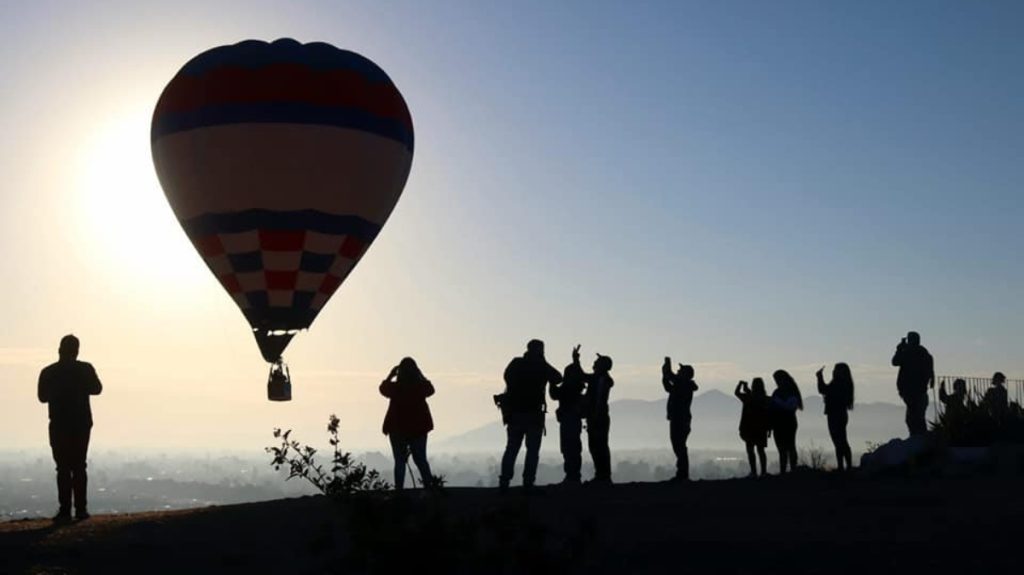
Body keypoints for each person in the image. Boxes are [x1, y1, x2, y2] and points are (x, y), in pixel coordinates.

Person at [38, 335, 103, 521]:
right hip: (81, 423)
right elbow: (97, 389)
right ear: (77, 351)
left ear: (59, 349)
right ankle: (81, 510)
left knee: (63, 468)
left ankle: (65, 510)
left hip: (59, 424)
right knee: (79, 466)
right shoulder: (85, 369)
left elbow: (42, 397)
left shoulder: (49, 372)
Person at [498, 339, 562, 491]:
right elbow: (558, 378)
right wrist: (543, 362)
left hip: (515, 414)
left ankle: (504, 482)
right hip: (533, 415)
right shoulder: (541, 366)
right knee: (532, 451)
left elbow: (506, 378)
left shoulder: (516, 363)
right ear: (540, 350)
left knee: (511, 449)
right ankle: (528, 482)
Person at [379, 357, 436, 490]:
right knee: (421, 460)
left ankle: (399, 491)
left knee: (399, 461)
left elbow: (383, 388)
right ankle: (430, 489)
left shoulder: (396, 388)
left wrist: (390, 375)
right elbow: (431, 389)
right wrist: (421, 375)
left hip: (397, 429)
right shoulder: (419, 388)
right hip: (418, 429)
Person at [550, 345, 586, 485]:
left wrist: (551, 383)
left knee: (568, 448)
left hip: (568, 420)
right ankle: (573, 475)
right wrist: (576, 360)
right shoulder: (575, 387)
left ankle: (572, 476)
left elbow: (554, 394)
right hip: (572, 419)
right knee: (573, 448)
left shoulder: (568, 388)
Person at [891, 331, 934, 437]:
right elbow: (930, 371)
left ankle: (917, 440)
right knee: (917, 417)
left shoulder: (908, 353)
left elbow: (895, 362)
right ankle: (919, 438)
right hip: (920, 391)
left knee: (913, 418)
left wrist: (900, 349)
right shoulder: (925, 354)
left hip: (911, 391)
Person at [582, 351, 615, 485]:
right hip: (596, 416)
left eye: (597, 362)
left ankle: (603, 476)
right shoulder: (599, 379)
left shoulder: (601, 379)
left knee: (598, 447)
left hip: (598, 417)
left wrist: (595, 415)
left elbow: (600, 400)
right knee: (596, 446)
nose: (594, 364)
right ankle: (602, 476)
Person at [662, 358, 698, 481]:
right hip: (681, 419)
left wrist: (667, 366)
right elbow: (668, 386)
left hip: (679, 419)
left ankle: (682, 474)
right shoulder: (683, 385)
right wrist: (665, 374)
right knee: (679, 445)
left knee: (679, 446)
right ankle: (682, 473)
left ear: (685, 374)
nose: (678, 371)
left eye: (680, 371)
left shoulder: (683, 384)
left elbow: (669, 378)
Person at [816, 364, 855, 471]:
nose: (834, 371)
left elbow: (823, 389)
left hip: (835, 415)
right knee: (841, 441)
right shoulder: (845, 383)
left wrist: (819, 377)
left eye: (836, 370)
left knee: (839, 441)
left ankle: (843, 466)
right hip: (840, 414)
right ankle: (846, 466)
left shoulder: (838, 383)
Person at [734, 378, 770, 477]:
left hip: (748, 428)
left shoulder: (748, 398)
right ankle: (763, 472)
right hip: (761, 428)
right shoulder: (765, 399)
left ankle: (754, 472)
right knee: (761, 451)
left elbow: (737, 393)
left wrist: (740, 384)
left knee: (750, 451)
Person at [770, 369, 802, 474]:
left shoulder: (785, 392)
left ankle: (791, 469)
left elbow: (790, 407)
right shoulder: (791, 391)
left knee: (788, 447)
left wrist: (777, 403)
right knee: (785, 448)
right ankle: (786, 470)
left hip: (786, 423)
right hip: (781, 423)